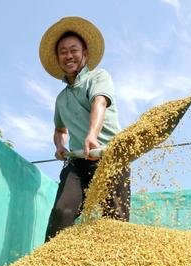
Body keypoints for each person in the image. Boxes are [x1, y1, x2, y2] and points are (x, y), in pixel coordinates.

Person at [39, 16, 130, 241]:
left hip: (110, 156)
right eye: (63, 52)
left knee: (114, 219)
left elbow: (99, 102)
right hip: (78, 162)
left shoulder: (98, 77)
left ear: (85, 54)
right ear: (58, 59)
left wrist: (92, 134)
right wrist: (60, 146)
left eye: (74, 50)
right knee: (62, 212)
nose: (68, 55)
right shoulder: (61, 99)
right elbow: (60, 130)